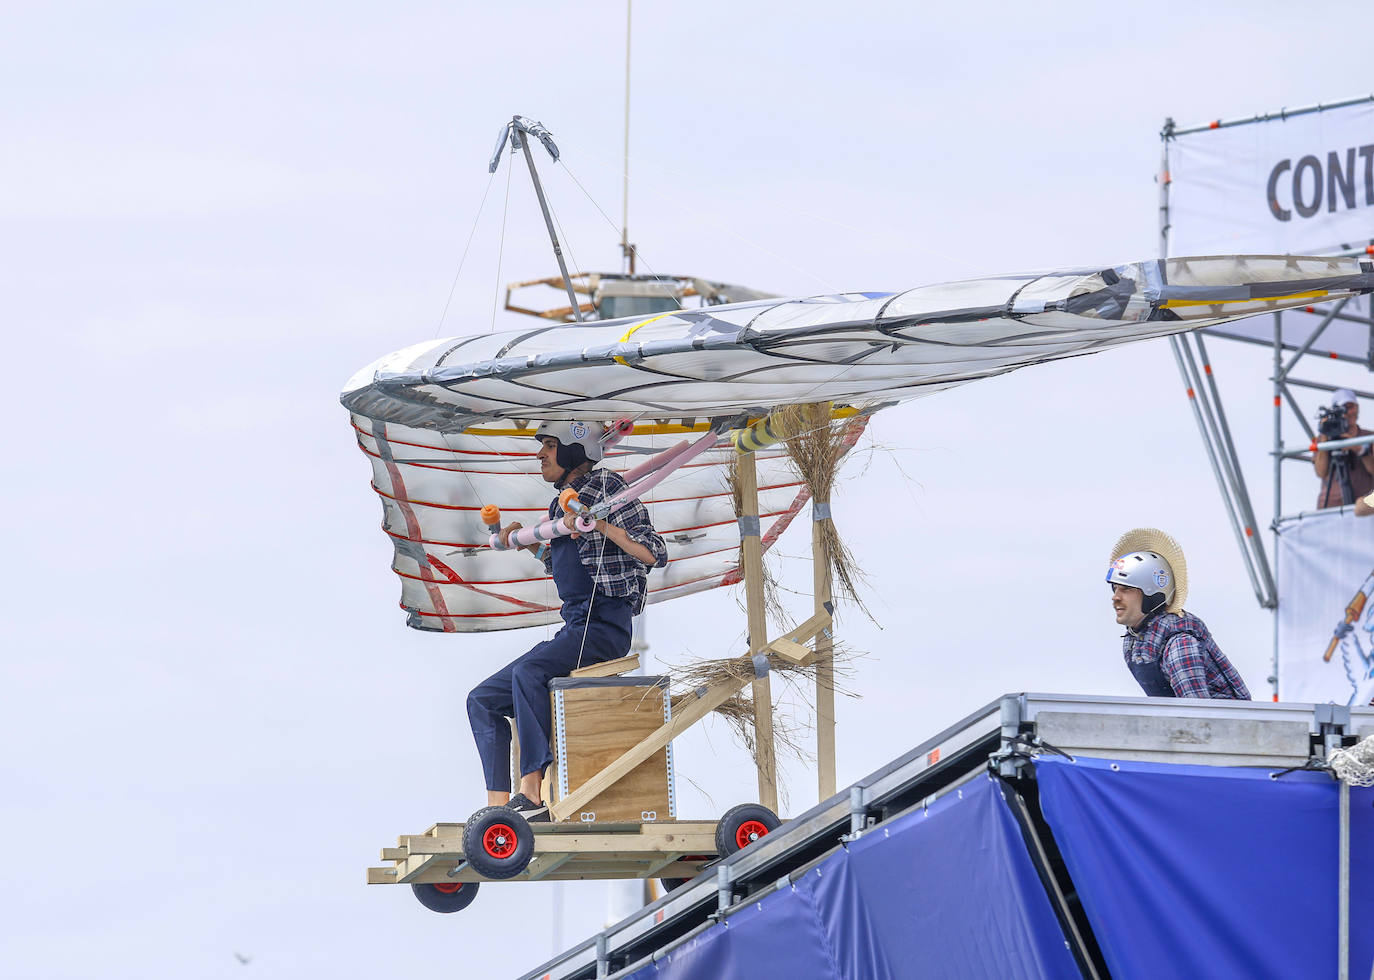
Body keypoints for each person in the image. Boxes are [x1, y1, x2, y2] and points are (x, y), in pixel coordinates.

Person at [466, 420, 667, 820]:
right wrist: (528, 544)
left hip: (604, 626)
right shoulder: (560, 505)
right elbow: (565, 563)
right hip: (575, 626)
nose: (540, 454)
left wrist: (599, 524)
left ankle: (532, 795)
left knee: (529, 673)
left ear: (575, 450)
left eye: (550, 444)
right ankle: (497, 810)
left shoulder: (607, 486)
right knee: (482, 700)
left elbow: (654, 553)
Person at [1106, 527, 1250, 700]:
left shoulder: (1180, 645)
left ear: (1151, 594)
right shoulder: (1134, 641)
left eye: (1126, 589)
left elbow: (1198, 712)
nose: (1115, 597)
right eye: (1114, 588)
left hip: (1223, 717)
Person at [1314, 388, 1374, 509]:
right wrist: (1325, 439)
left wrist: (1359, 449)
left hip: (1363, 508)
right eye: (1343, 408)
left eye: (1350, 407)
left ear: (1357, 408)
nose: (1347, 412)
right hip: (1330, 508)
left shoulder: (1369, 437)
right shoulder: (1323, 438)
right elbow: (1320, 472)